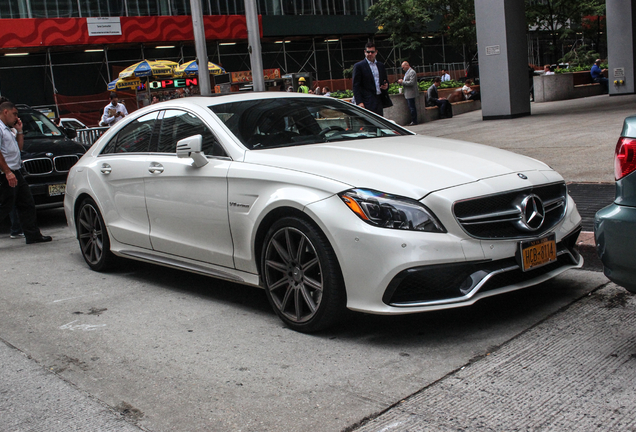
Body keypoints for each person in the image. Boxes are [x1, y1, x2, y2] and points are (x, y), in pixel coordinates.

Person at [0, 100, 52, 244]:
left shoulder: (8, 129)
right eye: (14, 114)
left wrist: (20, 130)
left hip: (15, 171)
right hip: (6, 173)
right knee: (5, 206)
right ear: (5, 112)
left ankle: (32, 235)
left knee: (27, 203)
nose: (16, 117)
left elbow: (18, 148)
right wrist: (7, 172)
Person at [352, 41, 389, 116]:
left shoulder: (380, 66)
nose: (370, 54)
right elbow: (356, 85)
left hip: (379, 99)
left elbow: (385, 80)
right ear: (365, 52)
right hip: (367, 101)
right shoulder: (359, 66)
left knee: (380, 123)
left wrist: (386, 86)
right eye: (368, 52)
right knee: (370, 125)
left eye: (372, 52)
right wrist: (359, 102)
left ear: (376, 52)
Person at [397, 61, 418, 125]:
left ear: (407, 65)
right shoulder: (407, 73)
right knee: (411, 107)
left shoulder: (412, 72)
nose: (403, 69)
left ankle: (414, 120)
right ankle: (413, 120)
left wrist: (402, 82)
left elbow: (411, 82)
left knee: (412, 107)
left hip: (411, 93)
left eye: (403, 67)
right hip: (407, 93)